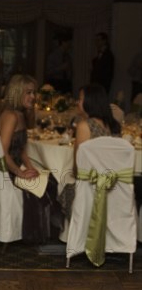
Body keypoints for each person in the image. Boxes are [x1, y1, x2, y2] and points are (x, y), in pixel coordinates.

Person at [0, 74, 62, 244]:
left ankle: (50, 232)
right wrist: (20, 173)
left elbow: (21, 149)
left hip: (14, 167)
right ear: (17, 93)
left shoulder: (20, 115)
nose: (33, 97)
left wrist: (31, 167)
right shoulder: (10, 116)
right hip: (5, 170)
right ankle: (40, 234)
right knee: (48, 187)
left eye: (34, 93)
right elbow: (2, 152)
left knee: (51, 179)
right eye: (29, 93)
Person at [58, 83, 122, 219]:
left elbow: (78, 169)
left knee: (61, 180)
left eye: (80, 99)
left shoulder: (85, 126)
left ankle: (74, 231)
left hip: (91, 189)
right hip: (115, 188)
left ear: (90, 102)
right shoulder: (113, 125)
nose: (77, 102)